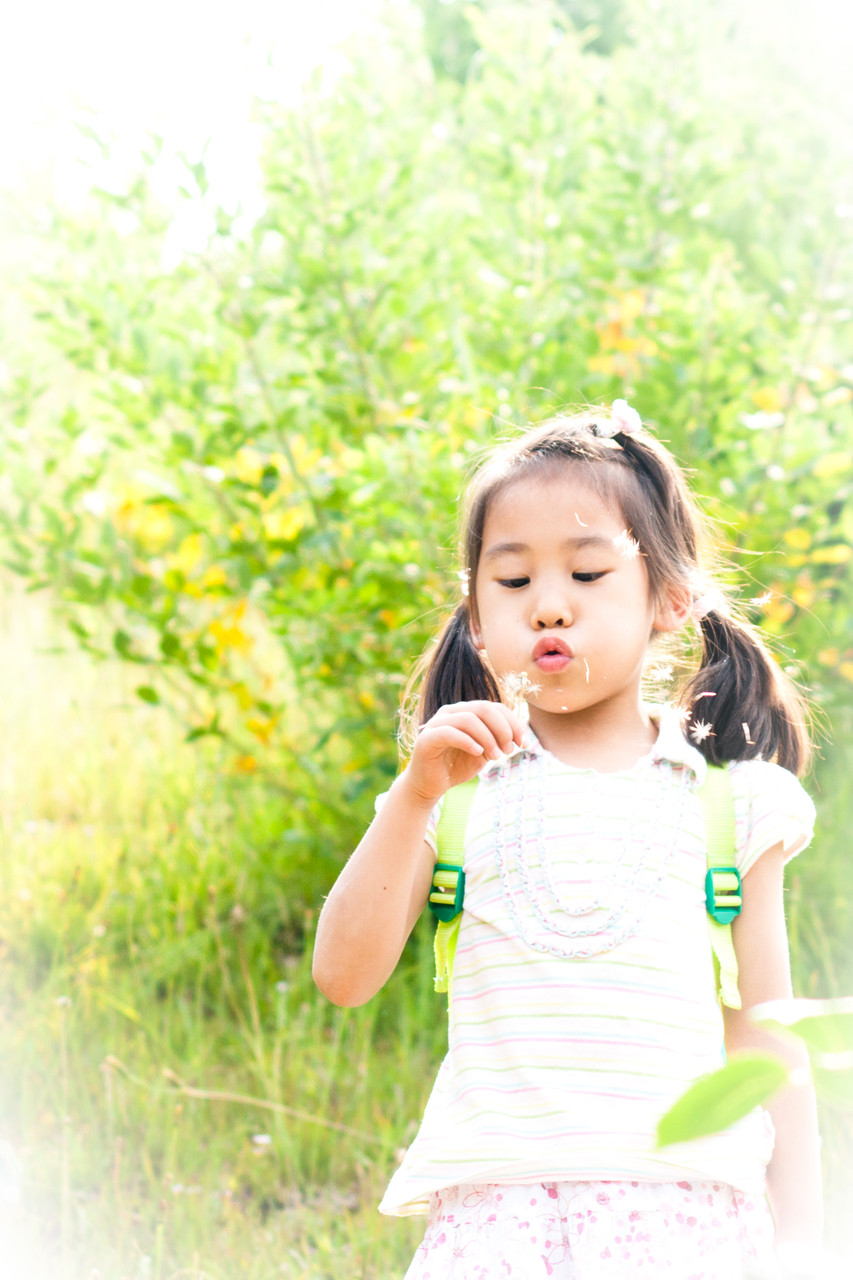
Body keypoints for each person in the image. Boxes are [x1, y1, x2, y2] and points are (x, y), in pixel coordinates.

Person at [312, 402, 824, 1279]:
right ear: (476, 617)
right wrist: (412, 795)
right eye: (512, 582)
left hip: (688, 1222)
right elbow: (343, 978)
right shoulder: (452, 793)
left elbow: (767, 1042)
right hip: (498, 1224)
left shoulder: (732, 806)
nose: (548, 606)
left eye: (587, 572)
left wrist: (809, 1241)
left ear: (670, 598)